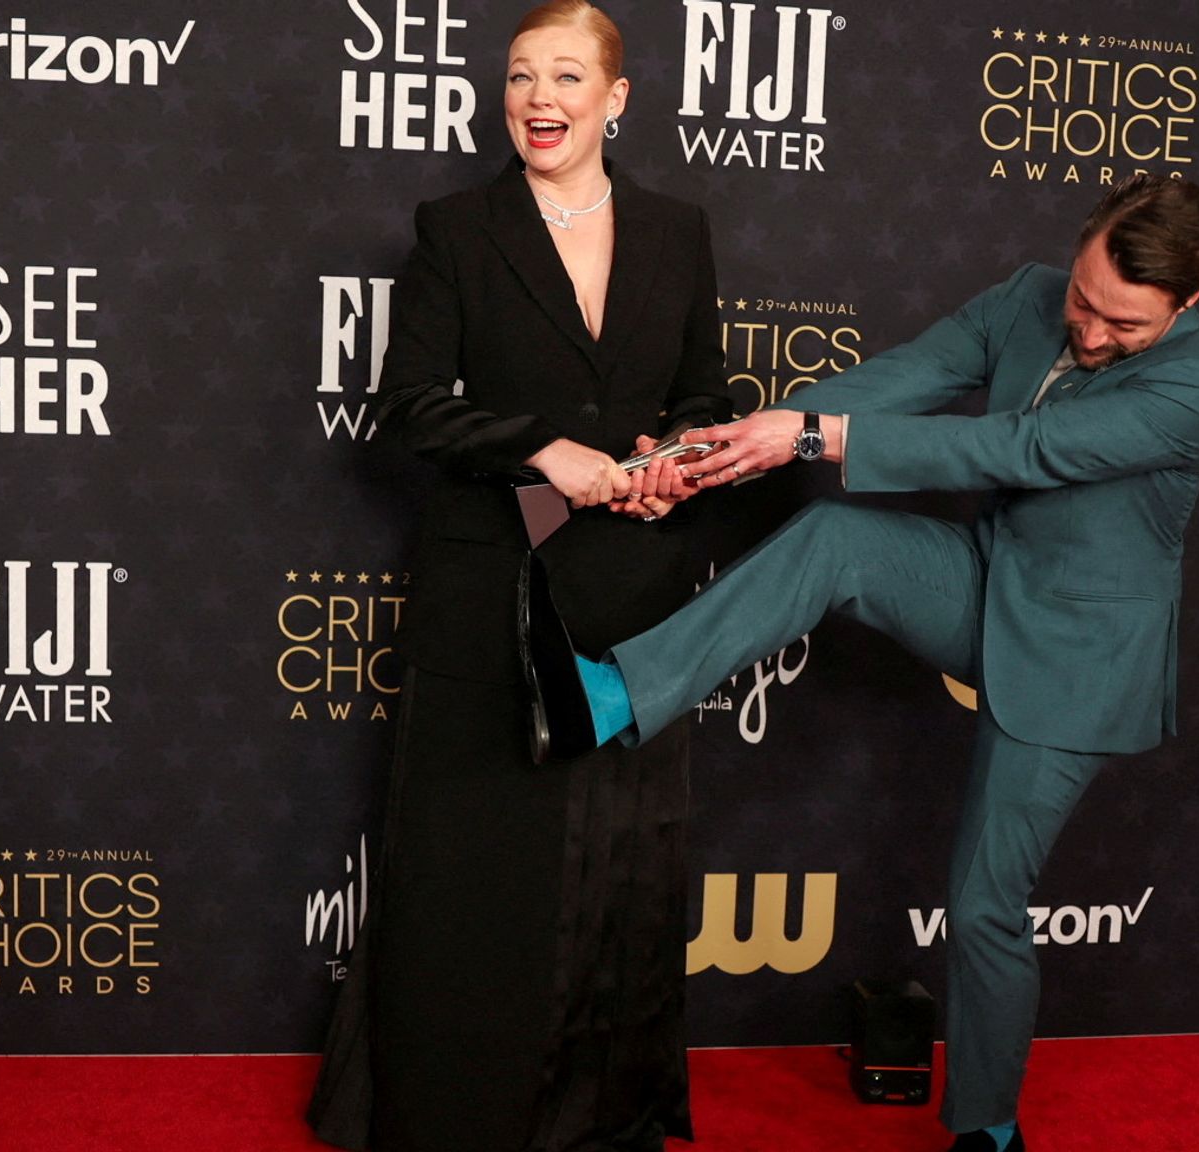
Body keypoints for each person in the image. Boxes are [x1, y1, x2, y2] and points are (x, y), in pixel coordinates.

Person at [542, 173, 1199, 1152]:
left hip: (1077, 658)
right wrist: (742, 445)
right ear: (1077, 248)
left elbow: (1022, 447)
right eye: (1083, 300)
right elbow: (896, 382)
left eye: (1122, 324)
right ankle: (617, 692)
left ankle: (987, 1130)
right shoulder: (1028, 296)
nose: (1086, 331)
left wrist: (818, 437)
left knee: (983, 907)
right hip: (985, 581)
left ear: (1188, 303)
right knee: (836, 538)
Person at [307, 3, 729, 1149]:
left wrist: (668, 460)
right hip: (490, 587)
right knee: (480, 866)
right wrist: (544, 448)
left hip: (633, 583)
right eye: (518, 79)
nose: (538, 100)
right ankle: (461, 1111)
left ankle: (604, 1111)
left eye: (564, 77)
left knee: (616, 854)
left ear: (617, 97)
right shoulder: (455, 226)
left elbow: (703, 389)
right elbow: (411, 406)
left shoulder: (678, 230)